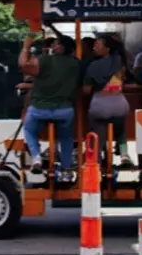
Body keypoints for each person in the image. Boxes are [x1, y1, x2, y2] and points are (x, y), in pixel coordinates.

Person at [18, 33, 80, 181]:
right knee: (66, 137)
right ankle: (66, 168)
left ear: (60, 47)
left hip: (40, 109)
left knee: (29, 129)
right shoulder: (76, 63)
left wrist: (26, 46)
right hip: (65, 110)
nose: (52, 46)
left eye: (55, 44)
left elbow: (23, 65)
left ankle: (37, 157)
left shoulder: (45, 60)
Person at [84, 35, 131, 165]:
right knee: (121, 130)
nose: (94, 47)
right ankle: (124, 154)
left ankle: (97, 160)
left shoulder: (92, 65)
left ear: (107, 48)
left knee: (97, 134)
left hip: (100, 104)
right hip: (119, 103)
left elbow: (86, 90)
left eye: (98, 45)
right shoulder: (120, 61)